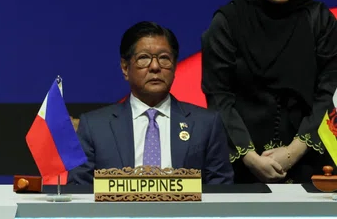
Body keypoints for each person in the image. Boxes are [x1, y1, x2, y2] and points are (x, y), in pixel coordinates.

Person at [201, 0, 337, 183]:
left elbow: (330, 89)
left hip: (312, 160)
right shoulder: (227, 23)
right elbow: (219, 96)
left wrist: (295, 150)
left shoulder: (319, 20)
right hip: (244, 164)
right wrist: (250, 157)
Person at [69, 21, 234, 185]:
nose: (155, 67)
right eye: (144, 58)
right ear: (125, 68)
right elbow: (79, 190)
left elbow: (221, 189)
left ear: (175, 66)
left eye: (164, 58)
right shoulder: (94, 127)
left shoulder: (205, 124)